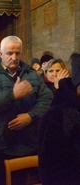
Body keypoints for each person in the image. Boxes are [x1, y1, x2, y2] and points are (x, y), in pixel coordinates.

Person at [0, 35, 53, 185]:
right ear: (0, 54)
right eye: (9, 53)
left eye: (17, 53)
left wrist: (30, 116)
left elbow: (47, 100)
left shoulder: (32, 75)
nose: (14, 57)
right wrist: (13, 95)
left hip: (27, 144)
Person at [38, 52, 80, 185]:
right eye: (51, 70)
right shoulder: (55, 115)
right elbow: (50, 166)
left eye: (58, 70)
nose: (54, 74)